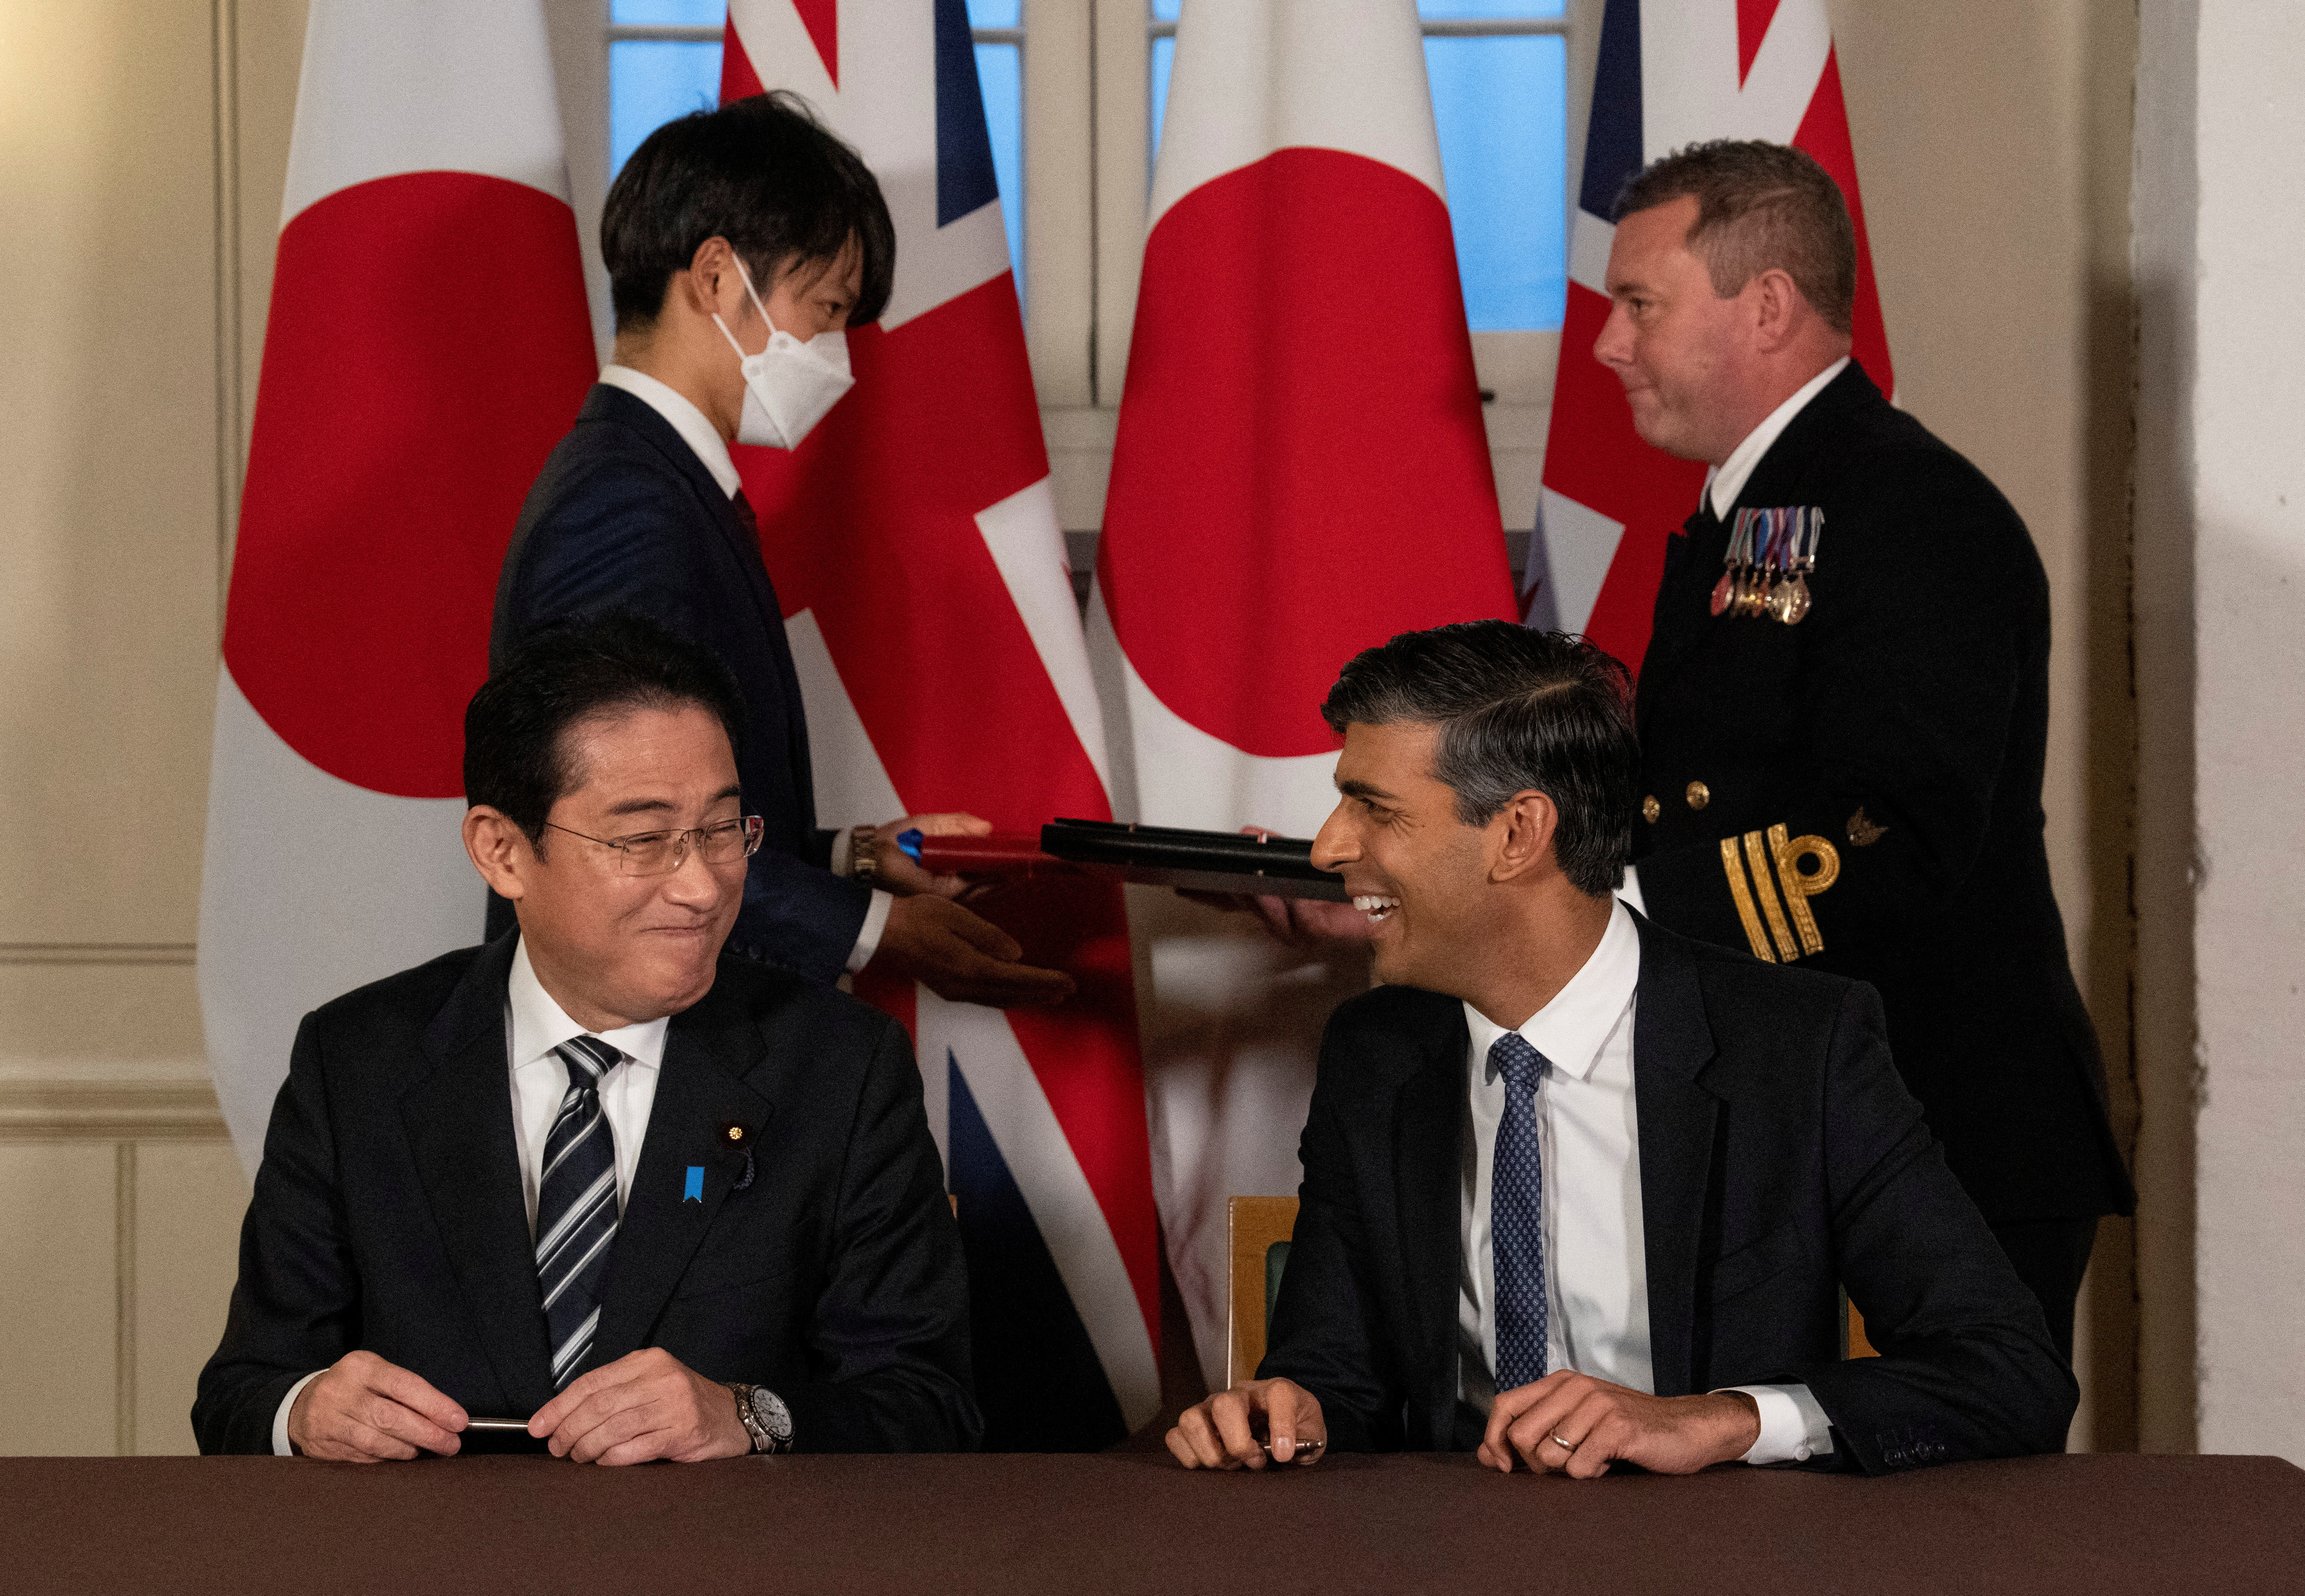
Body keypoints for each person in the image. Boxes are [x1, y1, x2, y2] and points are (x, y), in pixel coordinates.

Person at [1167, 621, 2074, 1477]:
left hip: (1715, 1562)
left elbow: (2010, 1373)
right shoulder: (1376, 1052)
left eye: (1373, 808)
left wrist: (1721, 1420)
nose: (1328, 847)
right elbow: (1335, 1373)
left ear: (1518, 833)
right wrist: (1289, 1411)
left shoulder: (1796, 1048)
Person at [195, 611, 981, 1461]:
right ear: (501, 852)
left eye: (721, 830)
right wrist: (306, 1410)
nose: (701, 887)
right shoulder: (357, 1061)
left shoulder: (840, 1066)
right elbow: (241, 1398)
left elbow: (929, 1406)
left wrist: (749, 1417)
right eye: (643, 840)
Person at [1591, 141, 2131, 1356]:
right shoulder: (1767, 507)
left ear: (1766, 302)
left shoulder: (1905, 508)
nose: (1607, 346)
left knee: (1933, 1546)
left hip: (1938, 1140)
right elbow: (1690, 800)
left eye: (1639, 305)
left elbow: (1884, 839)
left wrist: (1593, 914)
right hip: (1814, 1123)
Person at [492, 91, 1072, 1011]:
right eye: (826, 309)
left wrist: (861, 858)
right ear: (716, 278)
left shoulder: (660, 482)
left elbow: (693, 810)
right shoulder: (626, 507)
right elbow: (630, 842)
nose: (834, 353)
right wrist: (878, 930)